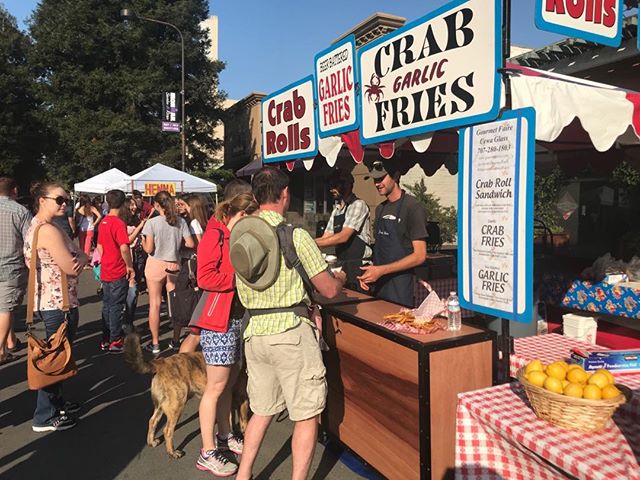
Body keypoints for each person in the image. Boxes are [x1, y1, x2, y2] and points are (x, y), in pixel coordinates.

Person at [230, 166, 346, 480]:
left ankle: (244, 475)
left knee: (262, 409)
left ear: (255, 197)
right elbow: (329, 289)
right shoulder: (295, 235)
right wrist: (341, 278)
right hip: (291, 333)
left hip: (254, 332)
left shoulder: (241, 236)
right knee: (307, 415)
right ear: (285, 195)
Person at [194, 193, 258, 476]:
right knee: (215, 386)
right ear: (239, 214)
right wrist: (237, 280)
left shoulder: (231, 235)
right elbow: (204, 277)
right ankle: (207, 451)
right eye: (250, 219)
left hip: (233, 317)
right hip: (217, 319)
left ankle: (225, 435)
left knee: (228, 382)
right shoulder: (214, 235)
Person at [24, 181, 89, 432]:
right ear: (42, 200)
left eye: (66, 200)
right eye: (59, 200)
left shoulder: (40, 226)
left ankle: (56, 404)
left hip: (53, 300)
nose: (65, 204)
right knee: (54, 358)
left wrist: (78, 254)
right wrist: (82, 255)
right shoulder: (48, 231)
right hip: (57, 303)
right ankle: (45, 414)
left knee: (59, 355)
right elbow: (72, 265)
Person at [178, 178, 252, 354]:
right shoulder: (218, 227)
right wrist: (236, 279)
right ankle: (179, 376)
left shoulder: (220, 221)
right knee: (196, 335)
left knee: (196, 335)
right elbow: (206, 276)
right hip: (216, 299)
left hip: (221, 298)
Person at [357, 160, 428, 307]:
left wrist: (381, 270)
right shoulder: (380, 209)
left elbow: (420, 256)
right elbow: (380, 251)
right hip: (379, 287)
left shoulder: (413, 207)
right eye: (375, 179)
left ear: (396, 176)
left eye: (381, 178)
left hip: (401, 289)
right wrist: (369, 274)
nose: (377, 183)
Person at [142, 190, 194, 354]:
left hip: (155, 264)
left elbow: (149, 248)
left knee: (155, 304)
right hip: (173, 265)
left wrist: (143, 242)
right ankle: (176, 339)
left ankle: (156, 343)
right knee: (175, 303)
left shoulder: (152, 223)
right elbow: (191, 243)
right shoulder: (180, 222)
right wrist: (176, 245)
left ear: (157, 205)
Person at [315, 168, 372, 290]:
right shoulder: (336, 210)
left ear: (347, 184)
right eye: (330, 185)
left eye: (335, 185)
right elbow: (327, 236)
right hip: (343, 266)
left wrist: (311, 242)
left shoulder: (358, 205)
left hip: (359, 268)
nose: (331, 189)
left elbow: (343, 236)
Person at [97, 190, 135, 353]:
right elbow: (124, 247)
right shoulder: (118, 223)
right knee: (116, 306)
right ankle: (115, 340)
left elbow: (99, 246)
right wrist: (129, 265)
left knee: (107, 304)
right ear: (122, 203)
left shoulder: (104, 221)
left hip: (106, 268)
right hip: (118, 268)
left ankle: (106, 338)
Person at [0, 177, 32, 364]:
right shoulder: (20, 211)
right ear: (14, 190)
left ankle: (11, 340)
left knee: (5, 308)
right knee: (6, 308)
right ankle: (1, 350)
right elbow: (29, 240)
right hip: (12, 265)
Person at [122, 198, 146, 332]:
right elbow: (126, 240)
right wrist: (139, 228)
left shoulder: (136, 219)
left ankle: (129, 322)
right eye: (131, 205)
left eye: (134, 204)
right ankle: (125, 324)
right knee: (130, 291)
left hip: (138, 256)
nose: (134, 207)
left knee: (135, 291)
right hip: (128, 257)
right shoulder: (122, 222)